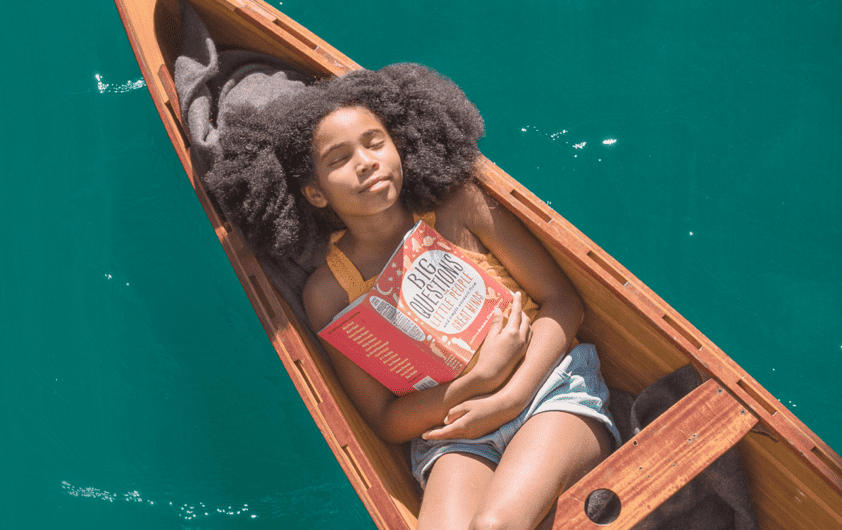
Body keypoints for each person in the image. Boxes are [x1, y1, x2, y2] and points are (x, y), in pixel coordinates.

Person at [207, 63, 621, 530]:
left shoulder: (459, 206)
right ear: (315, 194)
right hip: (456, 433)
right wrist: (477, 380)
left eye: (374, 141)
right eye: (339, 159)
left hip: (549, 389)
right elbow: (386, 419)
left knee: (494, 526)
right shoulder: (329, 292)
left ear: (398, 146)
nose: (366, 161)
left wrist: (510, 395)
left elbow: (564, 303)